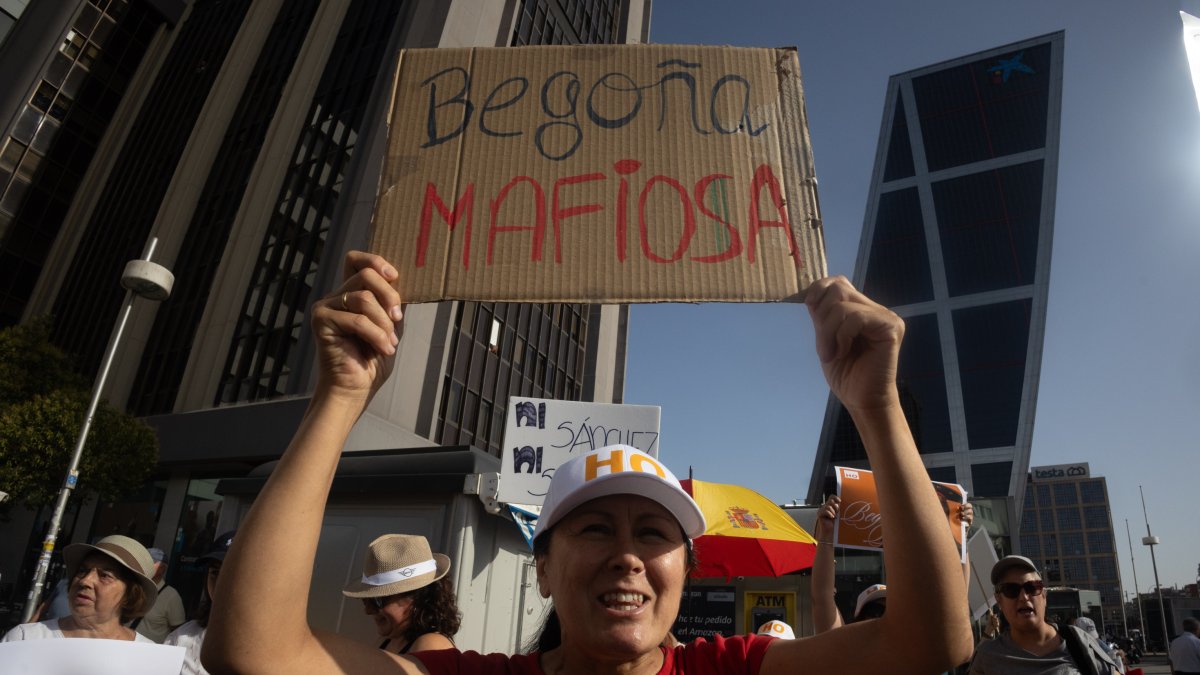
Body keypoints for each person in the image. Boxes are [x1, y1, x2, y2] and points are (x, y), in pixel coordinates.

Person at [201, 253, 974, 675]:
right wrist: (337, 397)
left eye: (655, 533)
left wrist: (876, 406)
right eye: (596, 527)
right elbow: (253, 650)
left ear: (686, 567)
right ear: (542, 568)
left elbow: (931, 642)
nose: (629, 556)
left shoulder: (732, 673)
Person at [810, 495, 973, 632]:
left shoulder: (917, 654)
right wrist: (826, 534)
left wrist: (960, 540)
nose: (884, 619)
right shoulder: (847, 655)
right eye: (875, 611)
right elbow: (823, 598)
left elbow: (957, 605)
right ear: (858, 620)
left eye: (891, 613)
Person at [968, 555, 1119, 674]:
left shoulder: (1079, 641)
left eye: (1031, 588)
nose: (1023, 597)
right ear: (999, 601)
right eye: (1011, 590)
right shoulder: (987, 657)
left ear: (1044, 596)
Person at [2, 534, 158, 643]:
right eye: (82, 571)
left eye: (105, 576)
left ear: (130, 595)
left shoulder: (148, 657)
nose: (85, 581)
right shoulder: (25, 638)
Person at [341, 533, 460, 654]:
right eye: (365, 600)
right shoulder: (390, 640)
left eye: (376, 601)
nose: (368, 610)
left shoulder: (431, 645)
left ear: (417, 596)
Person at [164, 531, 236, 675]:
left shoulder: (283, 648)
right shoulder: (181, 638)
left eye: (233, 571)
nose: (221, 583)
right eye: (215, 572)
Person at [135, 547, 187, 643]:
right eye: (143, 561)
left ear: (162, 569)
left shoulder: (171, 596)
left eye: (150, 562)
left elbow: (178, 632)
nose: (143, 565)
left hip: (150, 653)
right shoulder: (134, 587)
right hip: (125, 646)